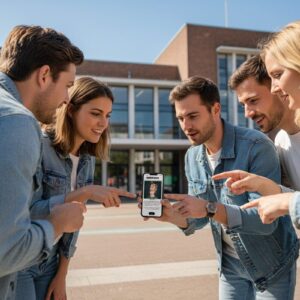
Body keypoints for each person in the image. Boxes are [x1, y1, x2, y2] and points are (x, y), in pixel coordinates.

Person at [143, 76, 299, 299]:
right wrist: (173, 216)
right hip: (230, 266)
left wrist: (209, 208)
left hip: (271, 265)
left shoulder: (256, 146)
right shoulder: (192, 156)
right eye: (180, 118)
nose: (186, 126)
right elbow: (200, 217)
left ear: (215, 109)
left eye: (193, 116)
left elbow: (265, 221)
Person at [14, 77, 135, 300]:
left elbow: (73, 225)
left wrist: (62, 274)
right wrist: (84, 193)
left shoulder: (87, 160)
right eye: (95, 113)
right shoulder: (39, 145)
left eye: (107, 116)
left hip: (51, 262)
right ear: (70, 110)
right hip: (21, 261)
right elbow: (23, 214)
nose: (103, 123)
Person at [0, 25, 86, 299]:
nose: (66, 100)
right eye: (67, 86)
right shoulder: (17, 121)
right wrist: (56, 224)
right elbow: (6, 251)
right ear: (45, 75)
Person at [214, 21, 300, 228]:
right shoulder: (279, 142)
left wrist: (288, 201)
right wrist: (266, 187)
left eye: (253, 100)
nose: (275, 88)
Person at [229, 54, 300, 189]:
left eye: (253, 101)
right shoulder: (280, 143)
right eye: (243, 105)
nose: (247, 113)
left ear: (277, 88)